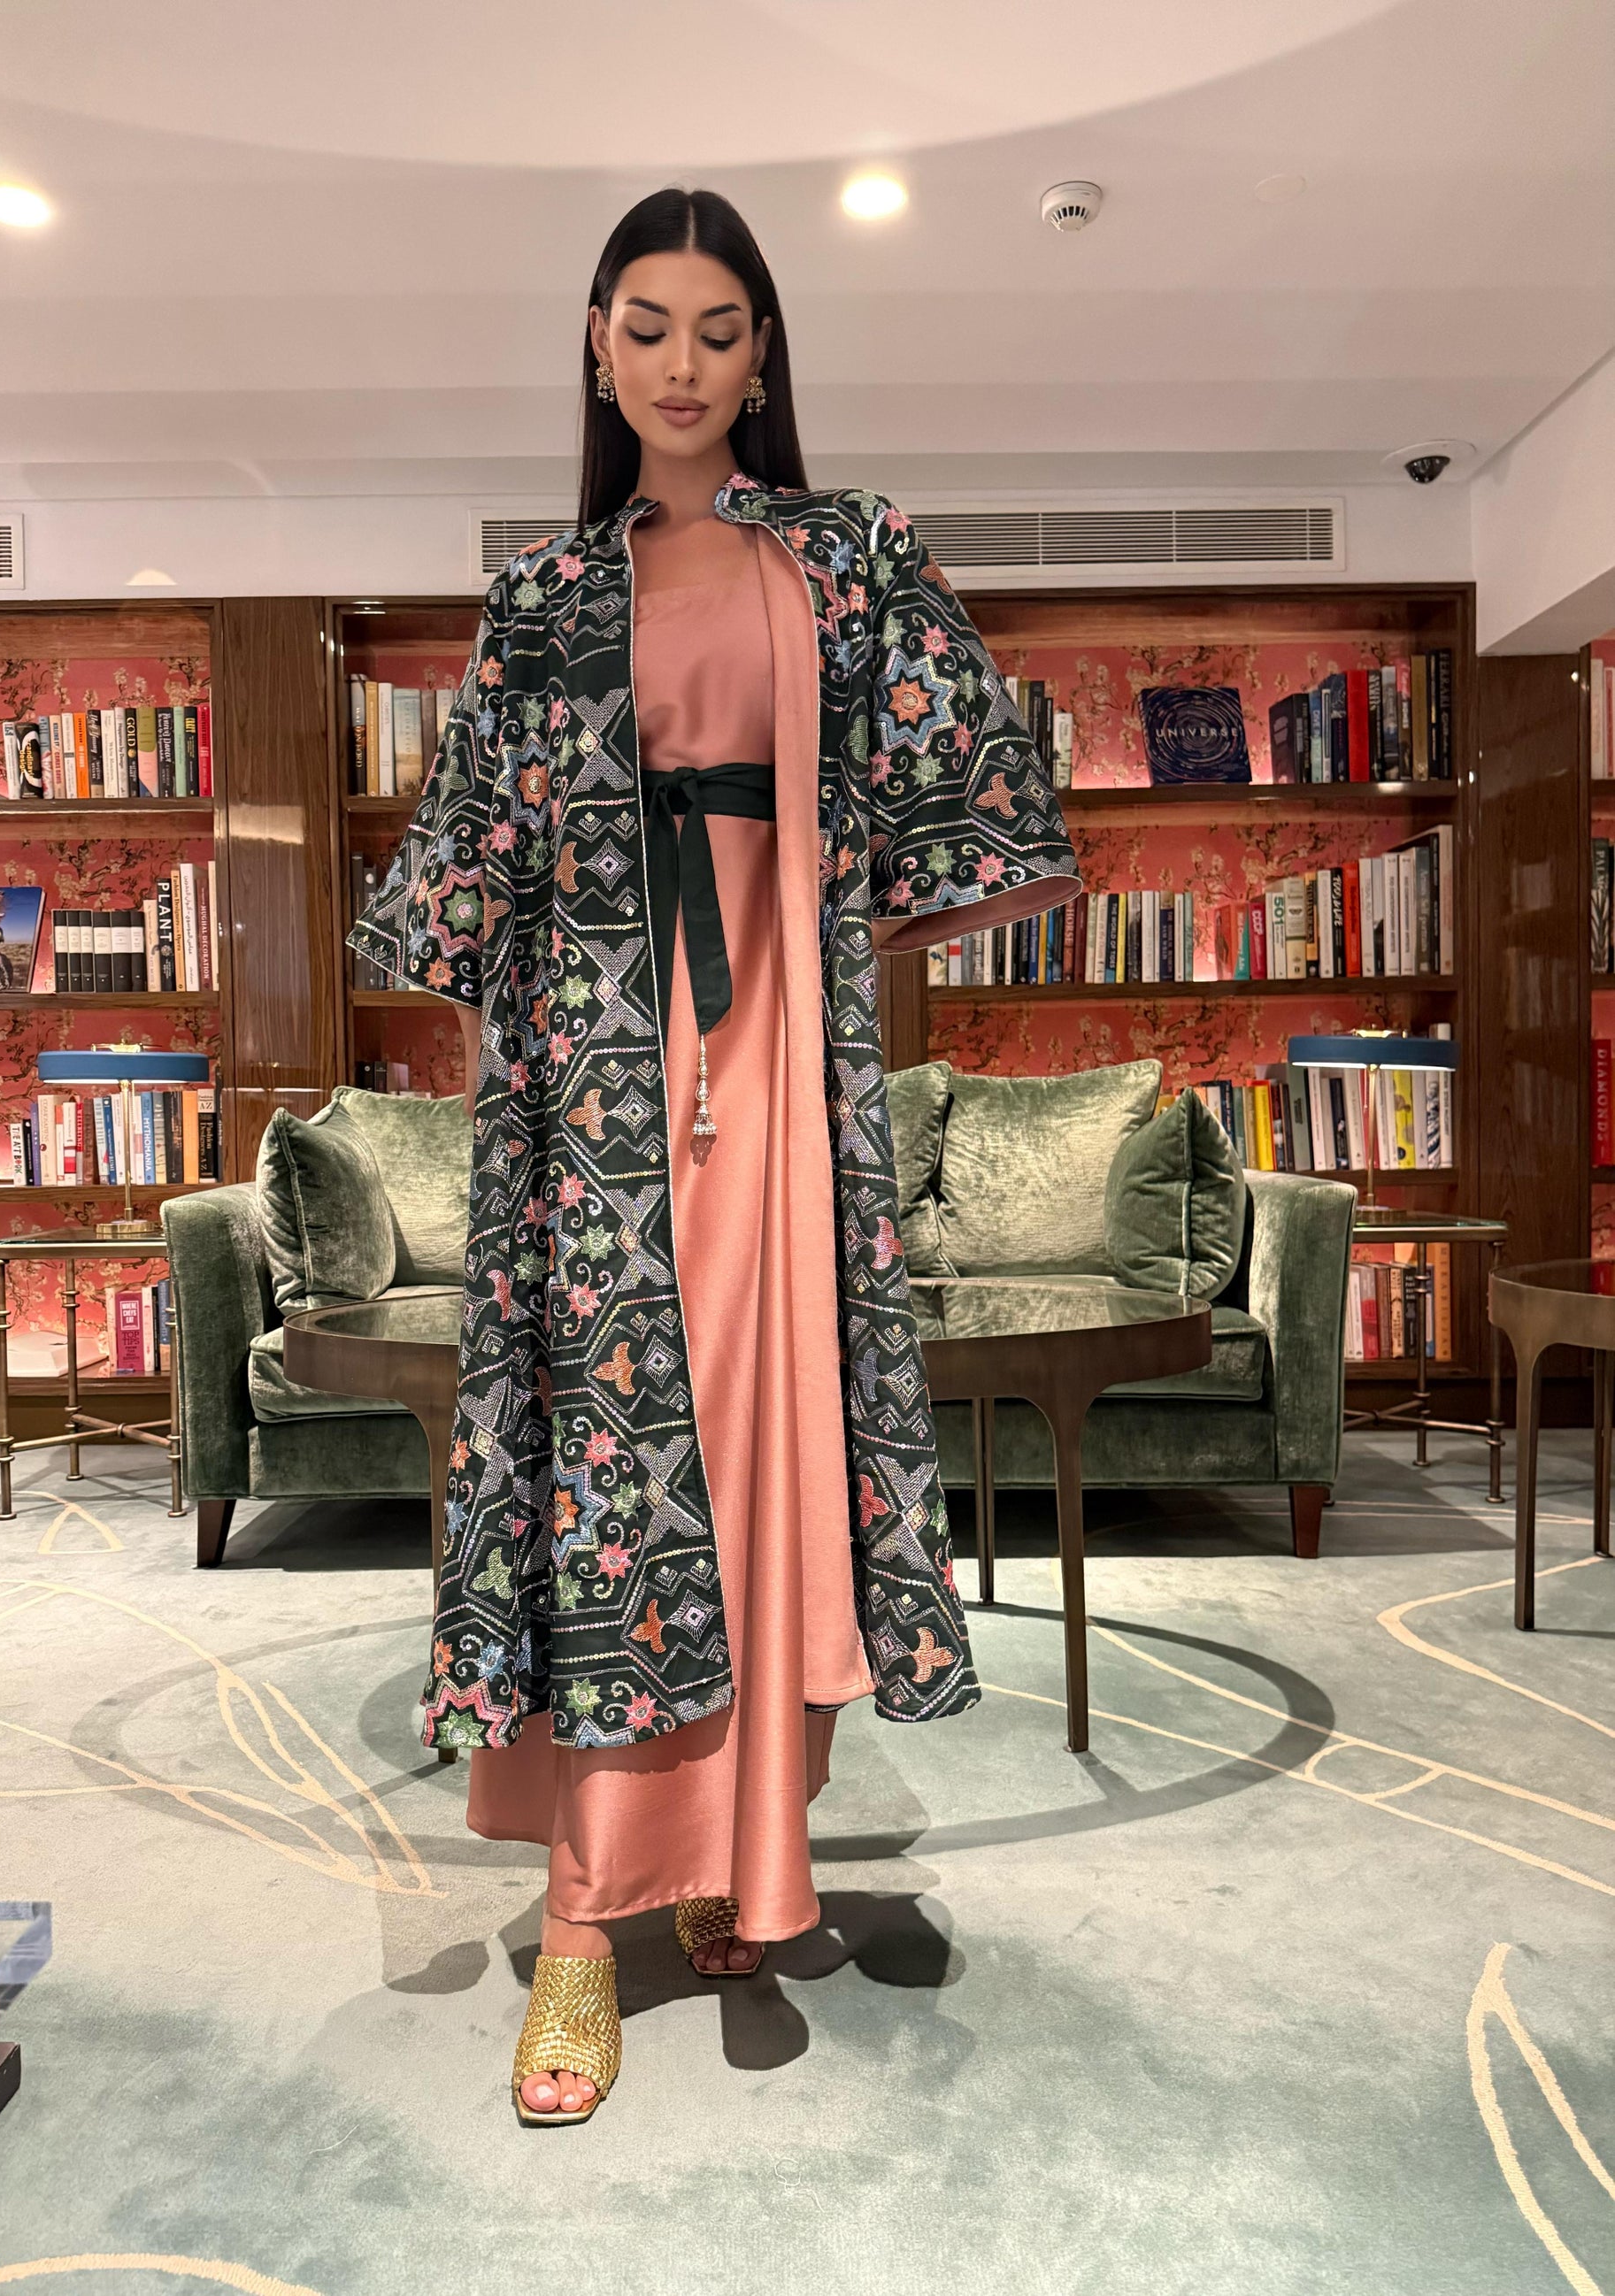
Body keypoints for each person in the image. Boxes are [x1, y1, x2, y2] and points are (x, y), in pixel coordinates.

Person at [348, 187, 1081, 2125]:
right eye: (648, 324)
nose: (682, 363)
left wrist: (815, 909)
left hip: (783, 1073)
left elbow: (962, 795)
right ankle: (584, 1925)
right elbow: (466, 873)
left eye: (721, 328)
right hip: (592, 1082)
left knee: (762, 1455)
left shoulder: (848, 555)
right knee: (611, 1465)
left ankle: (744, 1859)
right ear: (596, 346)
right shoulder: (537, 598)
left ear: (764, 358)